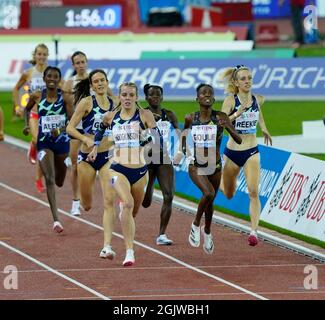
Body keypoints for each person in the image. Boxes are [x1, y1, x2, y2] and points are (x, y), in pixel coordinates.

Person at [88, 82, 162, 266]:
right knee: (127, 203)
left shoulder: (144, 115)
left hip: (139, 170)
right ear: (119, 97)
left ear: (136, 97)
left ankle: (124, 217)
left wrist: (148, 138)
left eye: (131, 95)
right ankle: (128, 252)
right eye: (124, 95)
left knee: (133, 211)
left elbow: (157, 137)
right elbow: (100, 131)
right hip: (117, 168)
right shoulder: (111, 116)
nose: (127, 98)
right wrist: (95, 147)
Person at [176, 83, 241, 254]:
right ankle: (196, 224)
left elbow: (238, 139)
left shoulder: (220, 116)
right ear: (197, 98)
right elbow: (183, 136)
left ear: (213, 98)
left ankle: (208, 231)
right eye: (203, 93)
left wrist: (226, 124)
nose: (207, 95)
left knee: (210, 203)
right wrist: (184, 152)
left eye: (210, 93)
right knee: (209, 193)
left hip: (215, 166)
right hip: (196, 165)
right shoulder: (191, 118)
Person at [219, 65, 272, 246]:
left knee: (253, 191)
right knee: (228, 193)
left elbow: (259, 114)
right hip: (233, 152)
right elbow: (221, 122)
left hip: (252, 150)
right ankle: (218, 181)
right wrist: (236, 114)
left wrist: (264, 128)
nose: (247, 81)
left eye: (249, 78)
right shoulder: (230, 100)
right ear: (236, 82)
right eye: (243, 79)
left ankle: (254, 231)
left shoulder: (257, 99)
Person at [66, 69, 116, 258]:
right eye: (96, 82)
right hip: (86, 159)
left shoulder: (115, 103)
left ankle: (107, 246)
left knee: (109, 201)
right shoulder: (87, 102)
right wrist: (85, 139)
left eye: (103, 80)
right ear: (92, 85)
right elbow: (70, 128)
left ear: (107, 81)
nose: (100, 84)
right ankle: (83, 202)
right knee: (87, 205)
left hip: (107, 157)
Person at [23, 66, 73, 233]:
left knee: (59, 181)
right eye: (49, 76)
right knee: (50, 179)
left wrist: (60, 129)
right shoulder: (37, 95)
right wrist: (26, 126)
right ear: (44, 78)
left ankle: (61, 169)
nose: (52, 79)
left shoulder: (65, 97)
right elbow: (27, 109)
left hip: (62, 143)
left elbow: (72, 122)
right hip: (44, 142)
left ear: (59, 80)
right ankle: (56, 220)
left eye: (55, 76)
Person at [141, 83, 179, 245]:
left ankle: (161, 235)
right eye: (151, 95)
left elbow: (181, 134)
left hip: (164, 158)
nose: (155, 97)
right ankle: (149, 185)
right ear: (146, 98)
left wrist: (181, 152)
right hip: (146, 158)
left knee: (169, 195)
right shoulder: (141, 114)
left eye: (158, 95)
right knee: (146, 202)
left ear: (162, 97)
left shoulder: (169, 115)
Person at [13, 43, 49, 193]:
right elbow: (16, 88)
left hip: (48, 115)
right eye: (39, 54)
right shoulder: (28, 73)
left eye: (44, 54)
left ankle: (38, 178)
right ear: (35, 56)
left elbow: (61, 89)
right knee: (38, 141)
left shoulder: (51, 72)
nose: (41, 57)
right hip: (34, 112)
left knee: (45, 149)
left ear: (47, 56)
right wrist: (17, 107)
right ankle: (33, 146)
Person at [62, 51, 89, 216]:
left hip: (93, 128)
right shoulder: (69, 83)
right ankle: (75, 201)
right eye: (77, 62)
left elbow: (110, 99)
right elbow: (64, 106)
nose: (80, 65)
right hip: (76, 127)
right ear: (73, 65)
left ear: (86, 62)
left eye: (82, 62)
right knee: (75, 166)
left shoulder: (95, 80)